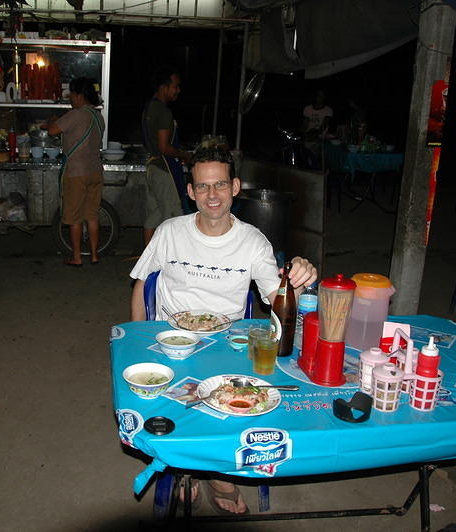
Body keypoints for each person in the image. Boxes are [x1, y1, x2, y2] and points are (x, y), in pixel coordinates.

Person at [129, 147, 318, 514]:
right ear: (190, 192)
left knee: (238, 400)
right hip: (170, 340)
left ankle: (215, 473)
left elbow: (276, 293)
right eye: (202, 187)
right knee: (171, 402)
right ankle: (185, 466)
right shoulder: (169, 232)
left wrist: (299, 275)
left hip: (225, 344)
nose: (211, 195)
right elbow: (141, 285)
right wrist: (139, 341)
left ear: (234, 187)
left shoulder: (252, 241)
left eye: (219, 185)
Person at [43, 77, 105, 266]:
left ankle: (77, 257)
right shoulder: (98, 117)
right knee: (92, 215)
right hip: (95, 170)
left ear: (79, 95)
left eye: (72, 94)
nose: (70, 98)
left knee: (74, 216)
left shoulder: (76, 114)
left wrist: (49, 123)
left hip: (77, 172)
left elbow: (53, 131)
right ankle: (94, 255)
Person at [141, 66, 193, 246]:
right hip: (164, 170)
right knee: (173, 218)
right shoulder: (164, 112)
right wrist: (184, 154)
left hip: (152, 167)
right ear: (164, 87)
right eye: (176, 86)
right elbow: (164, 147)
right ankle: (170, 262)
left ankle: (147, 260)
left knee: (153, 215)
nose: (178, 90)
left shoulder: (149, 107)